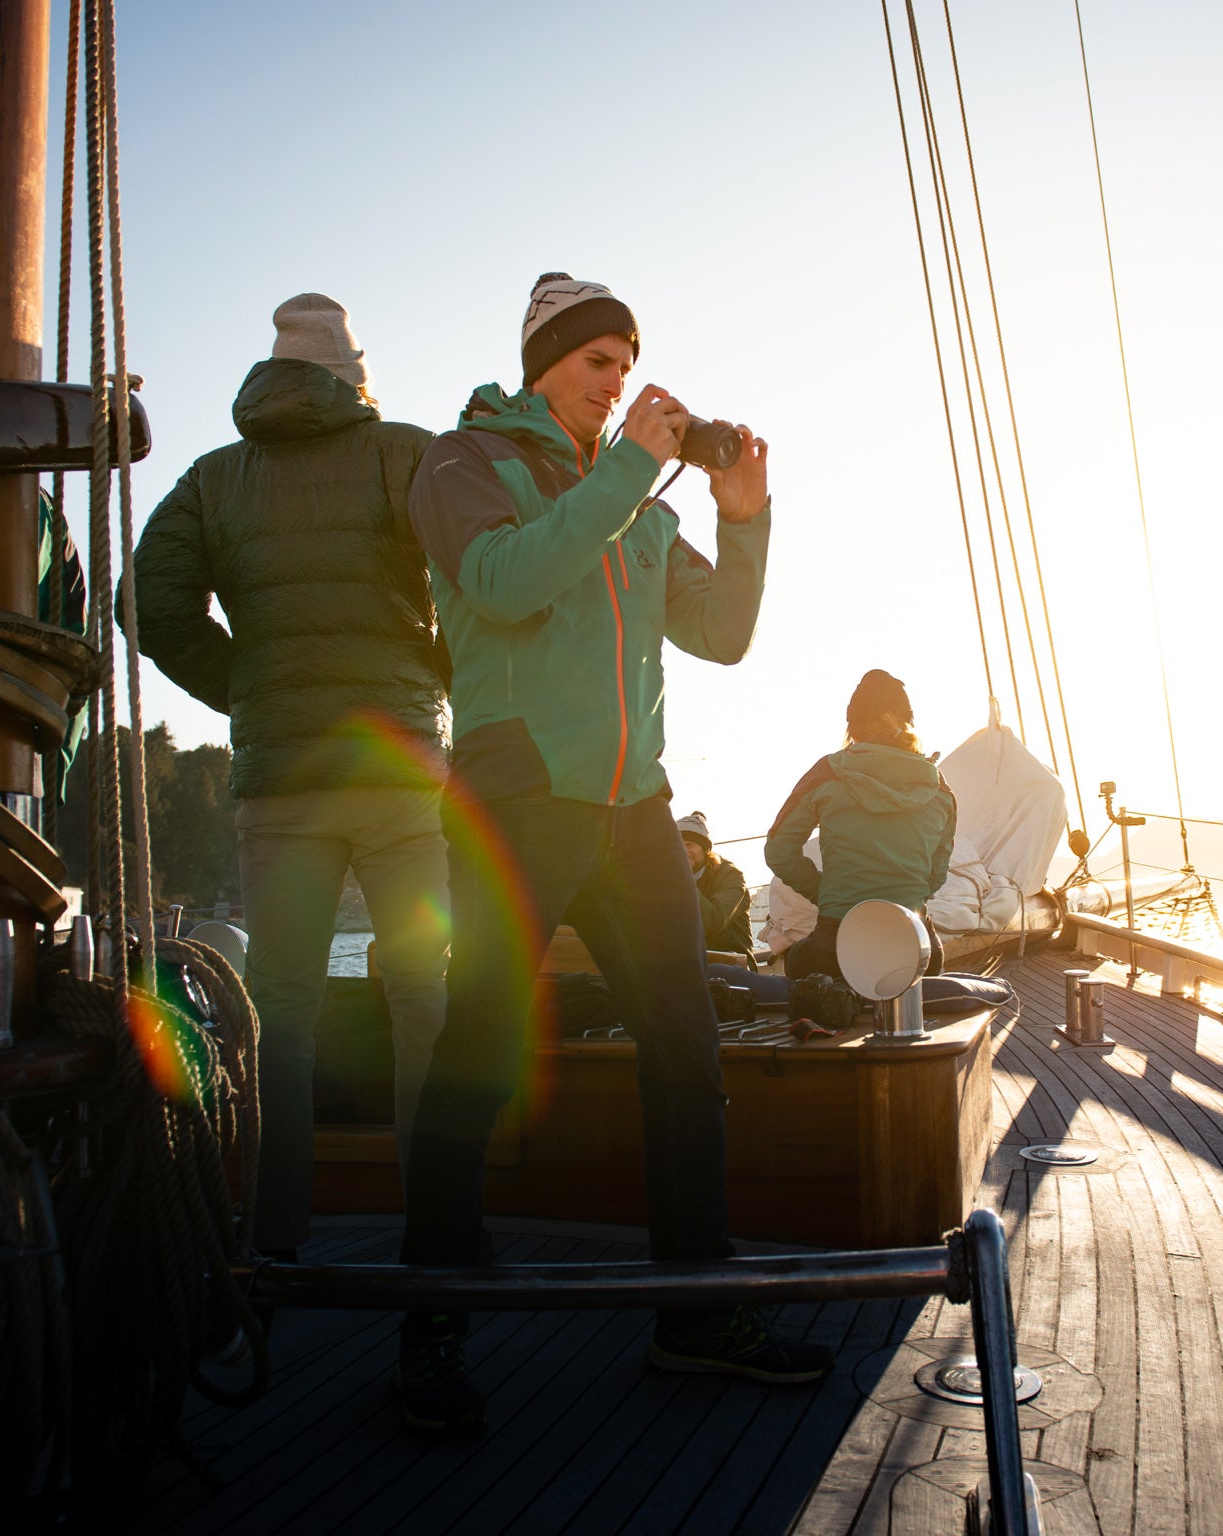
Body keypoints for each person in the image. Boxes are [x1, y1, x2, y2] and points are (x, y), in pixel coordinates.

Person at [399, 272, 830, 1433]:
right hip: (517, 798)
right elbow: (499, 583)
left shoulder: (638, 500)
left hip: (634, 809)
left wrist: (745, 519)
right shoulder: (463, 461)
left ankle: (694, 1312)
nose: (619, 380)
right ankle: (429, 1332)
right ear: (545, 361)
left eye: (629, 361)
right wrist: (630, 470)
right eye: (599, 360)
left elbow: (721, 635)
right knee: (478, 1057)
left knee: (687, 1055)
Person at [132, 294, 450, 1264]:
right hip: (399, 771)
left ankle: (272, 1246)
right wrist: (433, 682)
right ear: (353, 378)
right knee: (421, 995)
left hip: (283, 780)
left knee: (281, 1013)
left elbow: (143, 602)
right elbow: (476, 585)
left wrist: (246, 688)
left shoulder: (214, 478)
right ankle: (437, 1235)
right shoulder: (406, 454)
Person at [765, 670, 956, 981]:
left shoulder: (828, 772)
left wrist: (825, 890)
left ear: (852, 727)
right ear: (908, 723)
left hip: (835, 949)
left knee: (798, 962)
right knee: (928, 973)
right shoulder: (940, 789)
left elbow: (778, 849)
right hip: (915, 950)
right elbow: (936, 876)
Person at [675, 810, 753, 954]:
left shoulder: (731, 876)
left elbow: (712, 922)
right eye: (678, 845)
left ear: (705, 849)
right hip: (690, 961)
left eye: (689, 844)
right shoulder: (672, 878)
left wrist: (684, 879)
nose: (683, 851)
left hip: (731, 961)